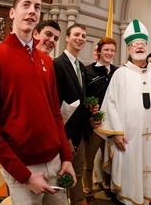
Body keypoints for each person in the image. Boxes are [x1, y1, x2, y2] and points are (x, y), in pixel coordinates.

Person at [0, 0, 76, 204]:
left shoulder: (46, 61)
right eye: (26, 5)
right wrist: (24, 175)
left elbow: (55, 114)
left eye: (37, 7)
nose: (32, 11)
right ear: (12, 13)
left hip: (56, 161)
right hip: (23, 167)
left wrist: (66, 158)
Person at [94, 19, 151, 204]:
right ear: (128, 49)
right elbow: (110, 104)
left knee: (150, 171)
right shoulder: (120, 74)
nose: (139, 46)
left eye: (142, 44)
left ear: (147, 46)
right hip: (128, 138)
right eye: (134, 44)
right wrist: (116, 134)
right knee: (129, 176)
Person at [53, 24, 89, 205]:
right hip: (65, 133)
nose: (80, 38)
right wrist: (65, 137)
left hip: (80, 132)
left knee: (78, 172)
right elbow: (55, 105)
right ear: (67, 38)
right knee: (63, 175)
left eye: (83, 35)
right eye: (76, 34)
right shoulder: (58, 65)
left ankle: (77, 201)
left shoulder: (81, 67)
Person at [84, 37, 118, 202]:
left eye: (112, 50)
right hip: (94, 123)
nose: (109, 53)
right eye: (106, 50)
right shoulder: (87, 71)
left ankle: (106, 184)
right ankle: (87, 188)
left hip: (111, 123)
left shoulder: (117, 72)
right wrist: (89, 112)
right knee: (89, 159)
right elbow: (83, 96)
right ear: (98, 51)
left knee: (109, 156)